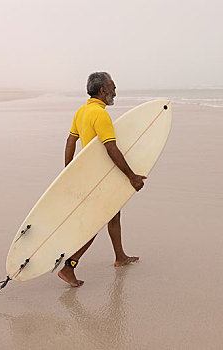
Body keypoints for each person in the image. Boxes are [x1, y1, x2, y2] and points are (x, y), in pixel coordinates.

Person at [58, 72, 146, 287]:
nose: (115, 91)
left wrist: (68, 170)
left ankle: (120, 256)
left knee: (114, 214)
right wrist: (132, 177)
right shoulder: (100, 115)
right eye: (113, 87)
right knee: (96, 222)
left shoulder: (82, 111)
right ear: (103, 91)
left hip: (91, 176)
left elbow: (71, 141)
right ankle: (69, 267)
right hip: (98, 178)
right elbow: (111, 148)